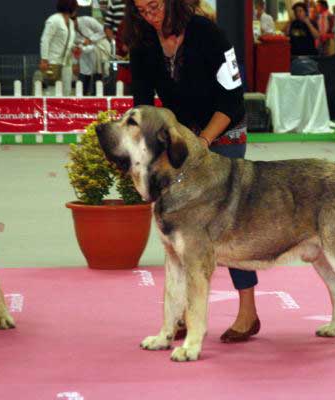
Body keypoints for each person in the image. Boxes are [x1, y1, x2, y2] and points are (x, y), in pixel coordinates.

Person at [124, 0, 260, 343]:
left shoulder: (209, 34)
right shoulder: (142, 42)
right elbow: (141, 103)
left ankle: (248, 311)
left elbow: (232, 99)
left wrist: (203, 141)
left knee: (228, 226)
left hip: (223, 131)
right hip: (179, 143)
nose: (149, 15)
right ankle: (184, 311)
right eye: (141, 10)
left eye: (154, 6)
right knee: (182, 230)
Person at [40, 0, 79, 96]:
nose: (76, 11)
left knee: (67, 90)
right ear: (71, 8)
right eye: (75, 8)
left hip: (66, 61)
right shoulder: (53, 20)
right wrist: (44, 59)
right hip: (53, 61)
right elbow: (45, 40)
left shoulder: (70, 22)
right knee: (53, 90)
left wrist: (74, 47)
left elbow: (68, 40)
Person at [72, 13, 113, 95]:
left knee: (98, 75)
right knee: (84, 74)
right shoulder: (69, 30)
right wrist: (75, 63)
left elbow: (103, 31)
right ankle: (84, 95)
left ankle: (96, 94)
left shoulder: (87, 20)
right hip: (84, 52)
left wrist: (90, 39)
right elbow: (74, 46)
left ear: (75, 19)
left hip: (99, 47)